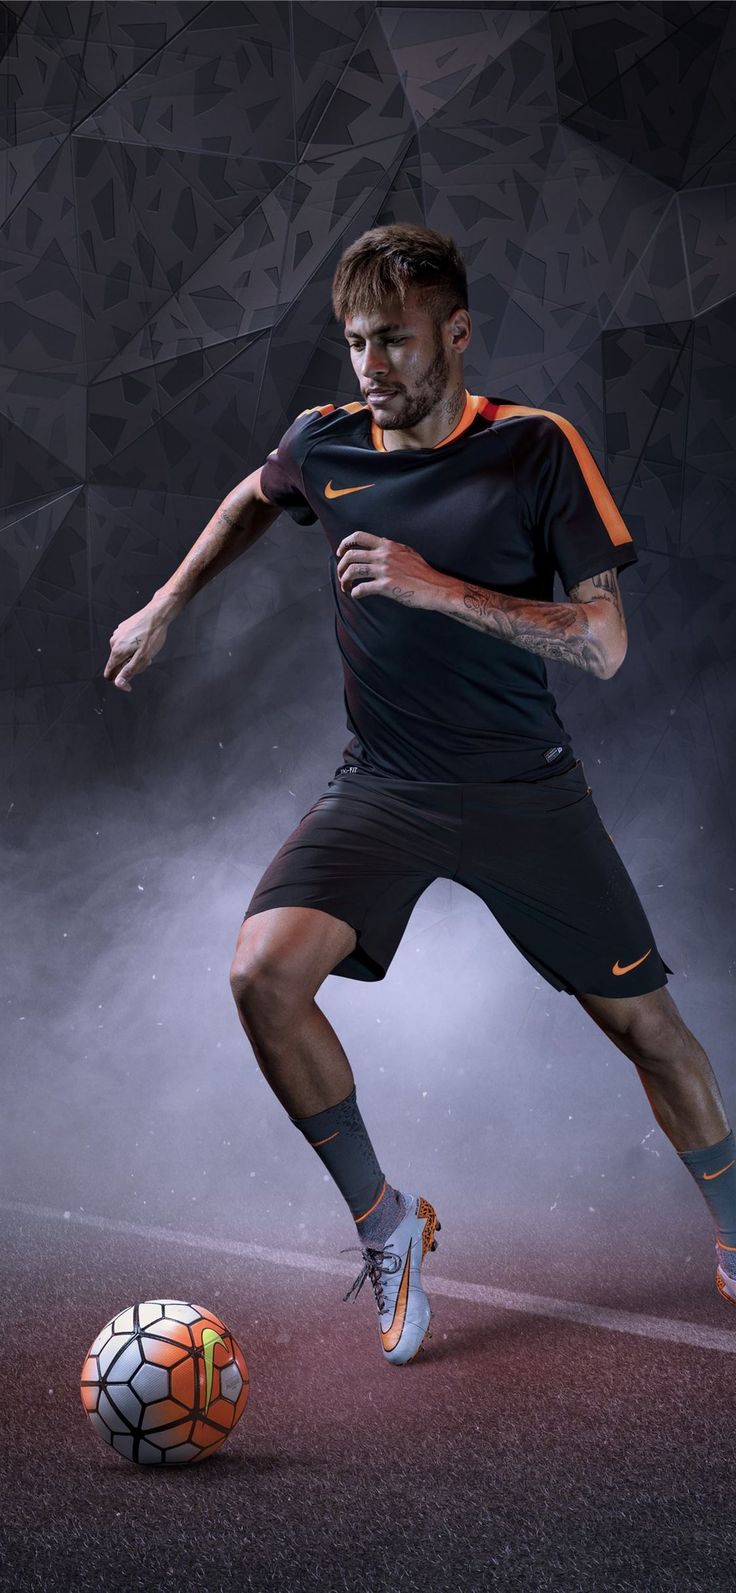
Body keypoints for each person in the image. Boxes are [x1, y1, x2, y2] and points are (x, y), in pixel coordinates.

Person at [104, 222, 736, 1367]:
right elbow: (255, 496)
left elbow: (603, 645)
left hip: (522, 790)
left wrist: (432, 586)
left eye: (393, 340)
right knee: (260, 975)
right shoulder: (326, 441)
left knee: (648, 1031)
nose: (371, 365)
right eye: (355, 342)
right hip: (385, 785)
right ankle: (385, 1222)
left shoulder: (535, 448)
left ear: (456, 333)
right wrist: (165, 604)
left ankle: (735, 1227)